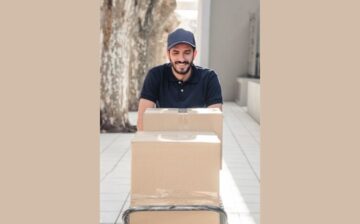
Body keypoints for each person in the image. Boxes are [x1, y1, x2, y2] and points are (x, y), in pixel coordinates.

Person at [137, 28, 223, 131]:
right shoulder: (156, 75)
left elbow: (215, 121)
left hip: (197, 140)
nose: (181, 59)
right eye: (175, 52)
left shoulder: (209, 78)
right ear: (168, 54)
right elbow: (142, 121)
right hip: (164, 139)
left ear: (194, 54)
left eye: (187, 52)